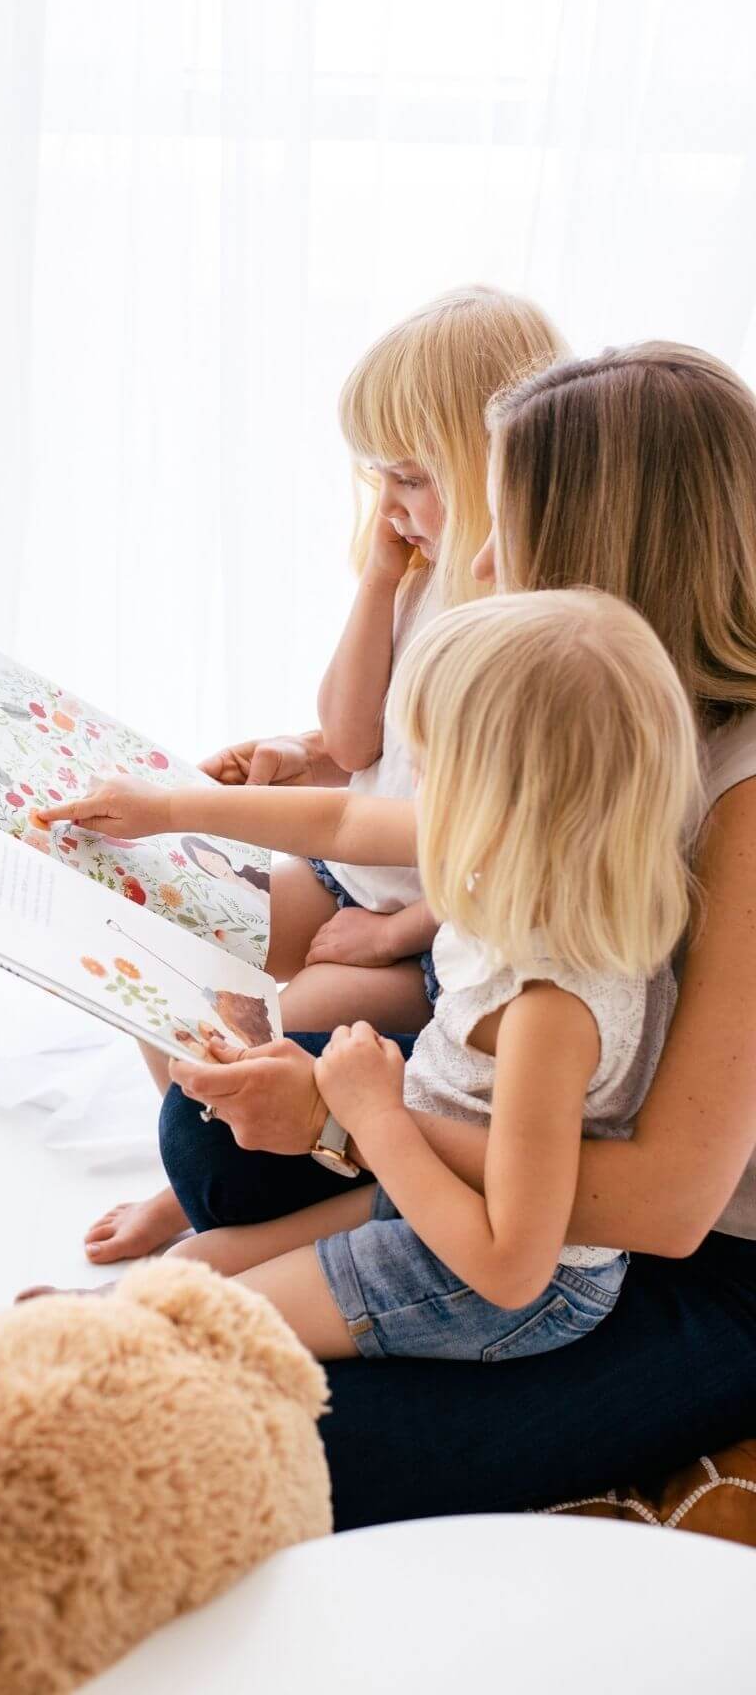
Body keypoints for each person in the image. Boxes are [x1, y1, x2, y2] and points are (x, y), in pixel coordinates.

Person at [155, 342, 756, 1527]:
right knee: (211, 1145)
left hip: (705, 1260)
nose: (479, 557)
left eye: (510, 522)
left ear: (606, 553)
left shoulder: (741, 794)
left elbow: (671, 1205)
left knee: (287, 1444)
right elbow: (378, 809)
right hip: (554, 1163)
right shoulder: (589, 723)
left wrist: (349, 1125)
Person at [42, 590, 701, 1364]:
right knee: (193, 1267)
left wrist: (369, 1113)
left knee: (191, 1328)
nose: (412, 791)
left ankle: (79, 1360)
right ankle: (91, 1330)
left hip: (501, 1276)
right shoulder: (539, 862)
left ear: (502, 806)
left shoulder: (550, 1010)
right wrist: (172, 808)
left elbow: (511, 1267)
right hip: (436, 1190)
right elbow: (342, 823)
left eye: (431, 769)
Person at [85, 286, 565, 1265]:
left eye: (410, 477)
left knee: (275, 1039)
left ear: (488, 465)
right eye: (375, 479)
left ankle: (221, 1193)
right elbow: (355, 737)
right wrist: (379, 582)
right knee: (159, 945)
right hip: (358, 880)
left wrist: (398, 930)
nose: (389, 505)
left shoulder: (530, 620)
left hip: (444, 929)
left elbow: (524, 841)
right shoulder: (424, 574)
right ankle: (195, 1184)